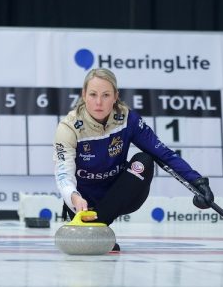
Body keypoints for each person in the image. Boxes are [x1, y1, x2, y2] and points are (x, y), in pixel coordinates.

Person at [53, 68, 214, 250]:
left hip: (121, 195)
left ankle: (97, 227)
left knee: (144, 159)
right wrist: (73, 197)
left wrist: (197, 181)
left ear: (115, 96)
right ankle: (93, 226)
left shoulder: (128, 119)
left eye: (106, 95)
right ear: (83, 95)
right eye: (93, 94)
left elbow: (163, 153)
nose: (99, 102)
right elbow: (63, 174)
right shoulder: (68, 127)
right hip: (82, 204)